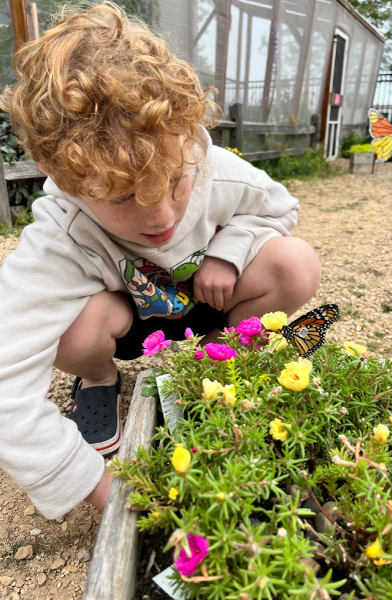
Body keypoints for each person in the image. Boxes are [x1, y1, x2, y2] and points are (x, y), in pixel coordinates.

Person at [0, 3, 321, 520]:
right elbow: (4, 383)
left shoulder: (210, 162)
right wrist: (101, 489)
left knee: (296, 263)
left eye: (175, 181)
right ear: (58, 172)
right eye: (123, 197)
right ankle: (100, 380)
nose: (163, 217)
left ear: (188, 135)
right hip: (130, 321)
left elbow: (281, 209)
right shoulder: (59, 235)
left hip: (212, 300)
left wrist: (229, 253)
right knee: (70, 334)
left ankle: (227, 359)